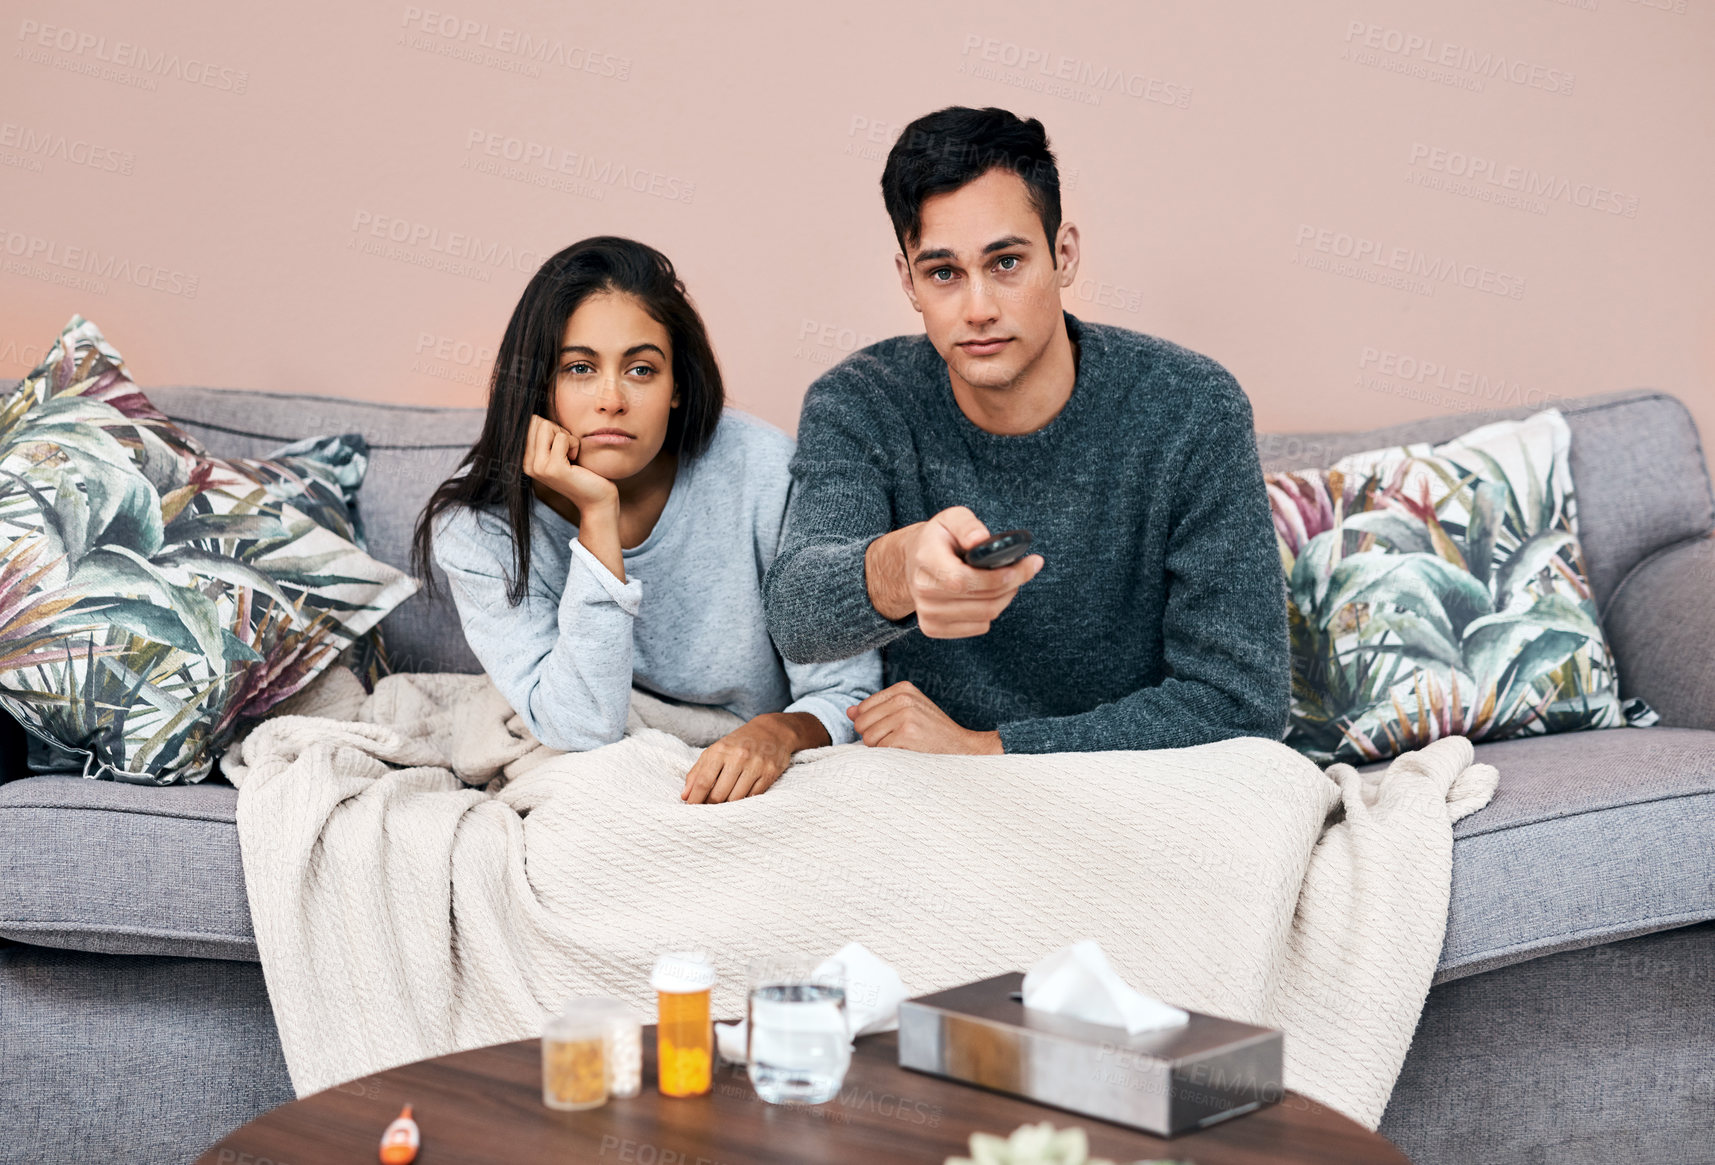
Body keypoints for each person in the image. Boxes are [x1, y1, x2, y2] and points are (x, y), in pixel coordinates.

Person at [762, 106, 1290, 755]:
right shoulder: (862, 402)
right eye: (943, 273)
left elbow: (1240, 700)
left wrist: (991, 747)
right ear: (908, 280)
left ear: (1062, 255)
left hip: (1136, 786)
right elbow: (795, 617)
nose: (978, 308)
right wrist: (899, 566)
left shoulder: (1191, 408)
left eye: (1005, 262)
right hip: (934, 796)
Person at [412, 236, 880, 802]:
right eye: (580, 368)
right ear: (539, 384)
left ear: (677, 386)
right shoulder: (479, 530)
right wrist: (597, 513)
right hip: (601, 771)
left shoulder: (762, 470)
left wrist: (776, 731)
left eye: (640, 370)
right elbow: (580, 726)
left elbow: (845, 691)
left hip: (759, 771)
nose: (611, 399)